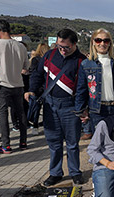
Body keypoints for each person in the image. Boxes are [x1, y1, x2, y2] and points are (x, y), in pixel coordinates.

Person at [28, 28, 86, 188]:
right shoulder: (49, 55)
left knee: (73, 143)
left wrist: (83, 108)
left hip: (70, 106)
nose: (62, 50)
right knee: (54, 141)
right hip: (50, 104)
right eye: (59, 46)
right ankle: (55, 173)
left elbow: (84, 87)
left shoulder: (81, 60)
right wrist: (32, 89)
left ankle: (75, 172)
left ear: (74, 44)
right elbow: (37, 75)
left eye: (66, 47)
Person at [76, 28, 114, 136]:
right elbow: (81, 89)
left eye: (106, 40)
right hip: (96, 110)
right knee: (100, 145)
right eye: (98, 40)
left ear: (110, 43)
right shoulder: (86, 64)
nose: (102, 43)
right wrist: (80, 110)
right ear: (93, 43)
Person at [0, 19, 28, 153]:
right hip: (18, 84)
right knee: (20, 113)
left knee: (3, 114)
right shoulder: (21, 46)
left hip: (2, 85)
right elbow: (26, 66)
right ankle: (23, 142)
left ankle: (6, 145)